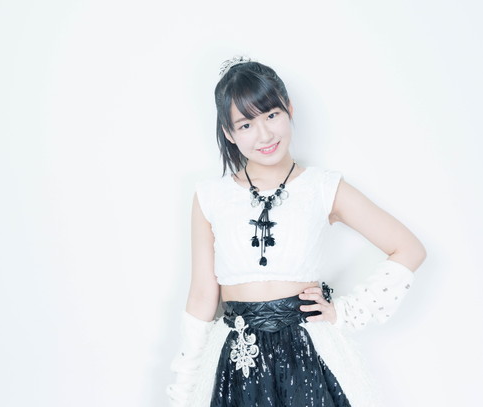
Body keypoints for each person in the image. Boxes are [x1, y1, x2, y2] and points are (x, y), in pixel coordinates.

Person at [166, 57, 427, 407]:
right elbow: (201, 296)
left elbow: (408, 249)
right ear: (228, 133)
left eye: (271, 115)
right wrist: (184, 390)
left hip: (306, 355)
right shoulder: (210, 197)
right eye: (246, 124)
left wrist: (346, 311)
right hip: (237, 358)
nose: (264, 135)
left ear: (289, 109)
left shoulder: (322, 187)